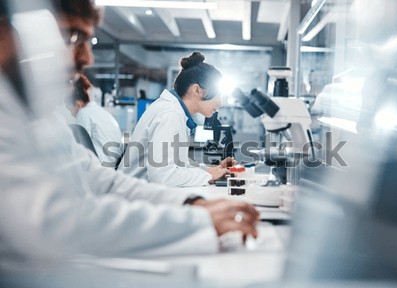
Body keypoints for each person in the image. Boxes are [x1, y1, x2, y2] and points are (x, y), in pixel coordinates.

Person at [0, 0, 258, 270]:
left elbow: (100, 181)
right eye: (73, 36)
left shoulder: (40, 118)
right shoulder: (169, 114)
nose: (87, 58)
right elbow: (51, 224)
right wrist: (197, 219)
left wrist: (193, 204)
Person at [117, 52, 235, 187]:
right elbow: (163, 176)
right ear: (197, 90)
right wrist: (209, 176)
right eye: (218, 95)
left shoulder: (174, 111)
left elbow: (178, 165)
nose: (220, 102)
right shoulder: (170, 114)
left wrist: (211, 170)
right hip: (132, 197)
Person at [68, 73, 123, 165]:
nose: (72, 114)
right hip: (113, 165)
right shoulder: (101, 112)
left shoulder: (83, 113)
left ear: (77, 104)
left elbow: (79, 146)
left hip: (100, 166)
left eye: (71, 111)